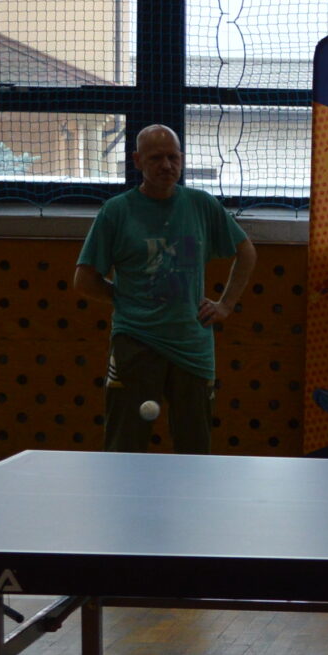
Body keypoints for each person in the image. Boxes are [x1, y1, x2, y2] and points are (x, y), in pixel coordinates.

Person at [73, 125, 255, 451]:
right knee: (125, 445)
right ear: (137, 161)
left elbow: (246, 252)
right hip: (135, 342)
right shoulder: (116, 211)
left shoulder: (201, 205)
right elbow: (84, 280)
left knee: (194, 447)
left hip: (191, 345)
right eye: (156, 158)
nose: (167, 166)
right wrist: (126, 299)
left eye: (173, 157)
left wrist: (225, 305)